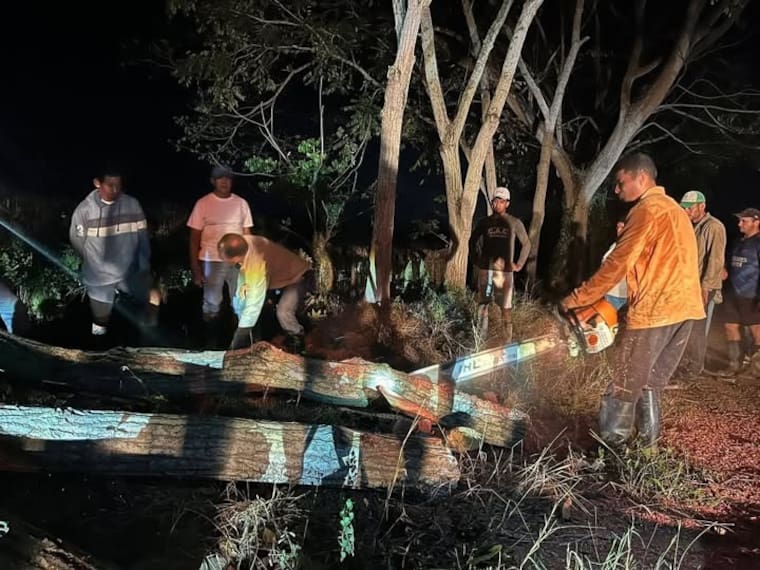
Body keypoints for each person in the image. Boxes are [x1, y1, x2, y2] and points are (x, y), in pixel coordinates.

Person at [560, 153, 704, 448]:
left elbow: (617, 264)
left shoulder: (646, 210)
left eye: (620, 182)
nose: (616, 189)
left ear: (641, 177)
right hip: (686, 310)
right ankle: (646, 449)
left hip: (656, 309)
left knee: (625, 381)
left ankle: (611, 451)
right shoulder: (675, 210)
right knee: (650, 381)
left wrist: (574, 300)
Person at [69, 166, 157, 337]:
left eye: (118, 185)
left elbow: (143, 238)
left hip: (129, 273)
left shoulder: (132, 205)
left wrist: (144, 266)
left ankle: (147, 339)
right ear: (97, 183)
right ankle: (98, 345)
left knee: (148, 302)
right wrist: (93, 263)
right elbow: (77, 240)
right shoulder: (84, 210)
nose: (115, 190)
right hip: (100, 278)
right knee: (100, 321)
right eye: (110, 185)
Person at [187, 165, 254, 345]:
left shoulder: (241, 204)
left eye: (228, 178)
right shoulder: (203, 204)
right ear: (213, 181)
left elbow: (248, 235)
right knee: (212, 303)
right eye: (220, 178)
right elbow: (194, 238)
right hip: (212, 260)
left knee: (241, 302)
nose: (224, 181)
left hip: (237, 261)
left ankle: (242, 344)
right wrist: (195, 268)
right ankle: (211, 342)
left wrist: (249, 262)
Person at [217, 233, 311, 351]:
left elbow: (253, 305)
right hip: (281, 277)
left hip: (299, 276)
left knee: (284, 312)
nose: (224, 262)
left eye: (227, 260)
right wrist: (240, 309)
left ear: (237, 257)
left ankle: (298, 340)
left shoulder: (256, 265)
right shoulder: (245, 242)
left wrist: (239, 338)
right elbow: (244, 287)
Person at [468, 186, 530, 343]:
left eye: (502, 201)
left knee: (506, 307)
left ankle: (507, 341)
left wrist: (519, 264)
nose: (498, 204)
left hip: (505, 272)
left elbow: (526, 244)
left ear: (507, 203)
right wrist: (475, 259)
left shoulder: (514, 222)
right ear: (492, 203)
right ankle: (480, 339)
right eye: (496, 201)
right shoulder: (485, 222)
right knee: (483, 304)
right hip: (486, 270)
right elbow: (472, 241)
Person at [677, 191, 726, 379]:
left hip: (702, 287)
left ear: (702, 206)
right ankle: (685, 364)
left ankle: (693, 368)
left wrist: (706, 287)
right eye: (685, 208)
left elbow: (715, 260)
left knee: (697, 328)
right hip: (690, 285)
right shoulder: (693, 226)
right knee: (686, 326)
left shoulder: (713, 226)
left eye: (690, 208)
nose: (687, 211)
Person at [714, 207, 760, 377]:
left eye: (744, 221)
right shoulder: (737, 242)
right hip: (732, 293)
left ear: (756, 222)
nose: (740, 224)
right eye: (740, 220)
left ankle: (755, 368)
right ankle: (734, 364)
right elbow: (728, 263)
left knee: (756, 330)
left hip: (751, 294)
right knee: (730, 326)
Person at [602, 220, 628, 311]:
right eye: (618, 227)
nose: (619, 230)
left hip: (619, 294)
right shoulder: (615, 245)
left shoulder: (630, 246)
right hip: (611, 291)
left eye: (622, 227)